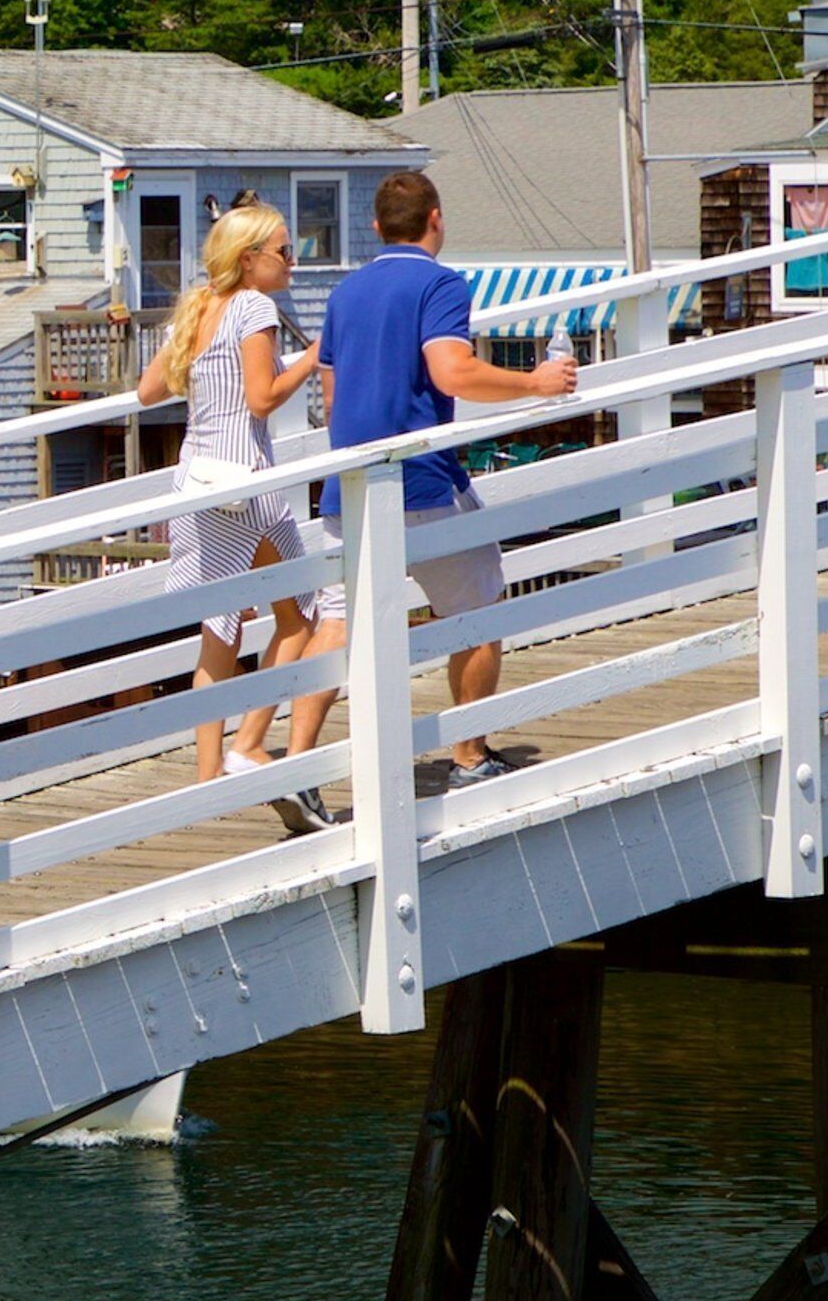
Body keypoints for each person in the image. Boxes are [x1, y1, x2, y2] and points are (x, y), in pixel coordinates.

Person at [289, 171, 579, 790]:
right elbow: (451, 372)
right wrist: (536, 383)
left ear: (375, 227)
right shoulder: (440, 284)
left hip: (350, 486)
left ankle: (298, 767)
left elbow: (333, 393)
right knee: (479, 608)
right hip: (422, 482)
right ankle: (470, 756)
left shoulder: (344, 294)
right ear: (436, 219)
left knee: (336, 624)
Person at [134, 205, 331, 829]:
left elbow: (146, 393)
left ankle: (207, 771)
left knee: (219, 631)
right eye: (282, 249)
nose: (291, 259)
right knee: (302, 615)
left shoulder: (199, 308)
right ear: (249, 259)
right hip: (246, 482)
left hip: (197, 480)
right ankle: (249, 742)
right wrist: (318, 355)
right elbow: (262, 398)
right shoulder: (253, 308)